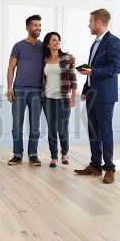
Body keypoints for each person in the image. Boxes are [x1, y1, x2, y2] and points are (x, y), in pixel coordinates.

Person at [74, 9, 120, 184]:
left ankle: (109, 169)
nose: (88, 24)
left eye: (90, 21)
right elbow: (93, 70)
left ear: (99, 23)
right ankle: (95, 165)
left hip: (105, 96)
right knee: (93, 131)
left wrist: (93, 71)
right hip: (93, 95)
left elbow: (116, 68)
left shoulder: (114, 42)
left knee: (105, 131)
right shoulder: (95, 43)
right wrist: (86, 88)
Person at [6, 15, 44, 166]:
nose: (38, 28)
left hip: (37, 90)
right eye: (35, 25)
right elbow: (11, 68)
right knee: (17, 124)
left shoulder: (44, 47)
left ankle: (33, 154)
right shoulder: (18, 46)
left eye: (39, 25)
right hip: (19, 89)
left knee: (35, 125)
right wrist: (9, 88)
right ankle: (17, 154)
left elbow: (55, 60)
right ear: (27, 28)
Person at [41, 32, 77, 168]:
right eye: (54, 40)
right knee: (51, 128)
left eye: (58, 40)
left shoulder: (67, 58)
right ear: (48, 43)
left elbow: (73, 79)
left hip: (64, 98)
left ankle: (65, 153)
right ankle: (54, 157)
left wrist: (73, 97)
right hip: (48, 99)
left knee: (62, 128)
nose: (57, 42)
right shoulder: (44, 59)